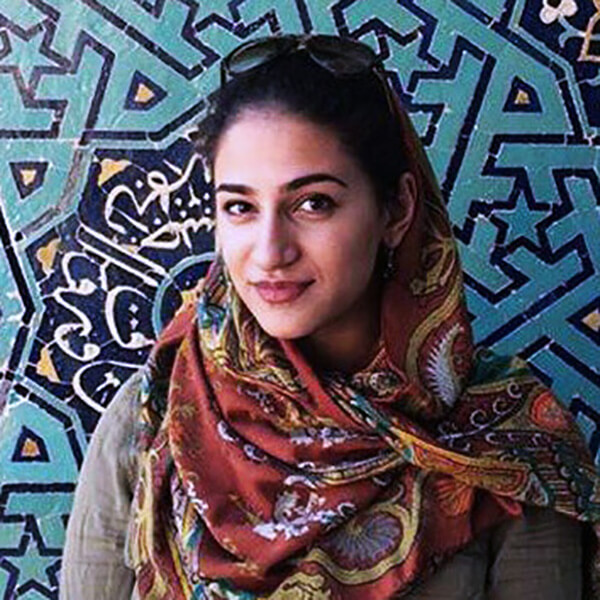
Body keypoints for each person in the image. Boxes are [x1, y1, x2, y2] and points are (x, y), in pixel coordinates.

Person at [59, 34, 600, 599]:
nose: (270, 251)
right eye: (240, 207)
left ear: (397, 209)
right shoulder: (157, 414)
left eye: (313, 203)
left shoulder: (506, 444)